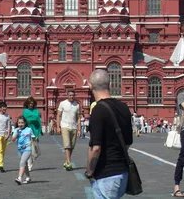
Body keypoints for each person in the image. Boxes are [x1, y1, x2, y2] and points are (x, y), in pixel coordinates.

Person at [84, 69, 132, 199]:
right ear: (110, 85)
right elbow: (128, 142)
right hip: (123, 172)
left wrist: (89, 171)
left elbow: (96, 148)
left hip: (106, 174)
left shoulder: (97, 110)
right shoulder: (124, 107)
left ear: (89, 86)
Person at [56, 90, 81, 171]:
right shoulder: (62, 103)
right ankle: (69, 163)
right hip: (65, 126)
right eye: (70, 95)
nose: (71, 96)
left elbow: (78, 118)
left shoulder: (77, 105)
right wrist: (58, 127)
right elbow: (58, 115)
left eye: (73, 95)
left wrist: (79, 129)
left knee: (72, 146)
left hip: (74, 127)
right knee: (67, 145)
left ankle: (66, 161)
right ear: (67, 95)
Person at [11, 115, 34, 185]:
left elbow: (33, 137)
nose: (20, 124)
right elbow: (12, 139)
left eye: (22, 123)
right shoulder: (16, 130)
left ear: (25, 123)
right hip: (20, 149)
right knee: (25, 164)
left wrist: (32, 141)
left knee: (22, 162)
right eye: (19, 123)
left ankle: (19, 178)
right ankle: (28, 177)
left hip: (27, 149)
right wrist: (16, 133)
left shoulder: (29, 129)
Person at [22, 97, 42, 171]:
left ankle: (32, 160)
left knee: (36, 151)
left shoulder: (36, 111)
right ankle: (29, 163)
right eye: (29, 103)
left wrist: (33, 118)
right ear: (27, 104)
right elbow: (27, 119)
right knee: (29, 148)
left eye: (32, 104)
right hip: (27, 131)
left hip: (36, 131)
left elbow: (38, 120)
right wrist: (33, 118)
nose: (31, 105)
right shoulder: (25, 111)